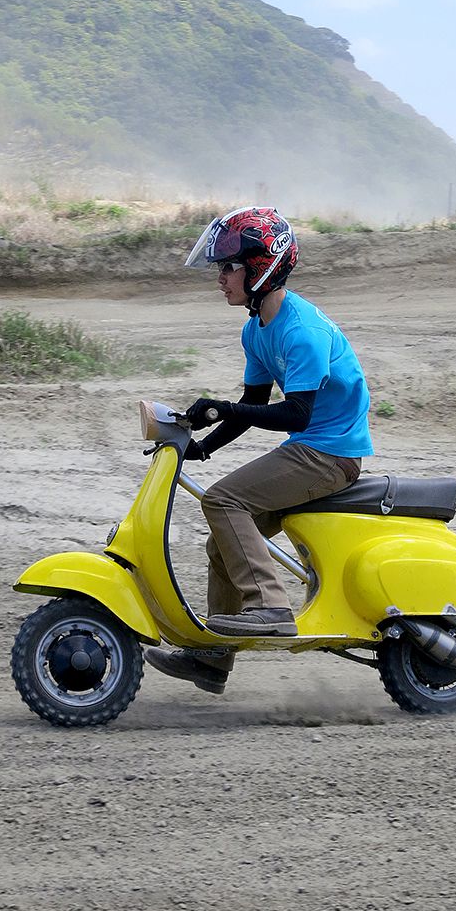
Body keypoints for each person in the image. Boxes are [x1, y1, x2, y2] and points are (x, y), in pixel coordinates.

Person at [145, 206, 373, 695]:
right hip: (311, 446)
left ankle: (270, 609)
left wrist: (220, 410)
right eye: (219, 268)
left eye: (228, 267)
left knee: (222, 502)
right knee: (220, 544)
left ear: (262, 266)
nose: (220, 278)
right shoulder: (256, 329)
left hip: (330, 452)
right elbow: (253, 404)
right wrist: (201, 446)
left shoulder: (300, 330)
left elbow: (296, 415)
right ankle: (212, 658)